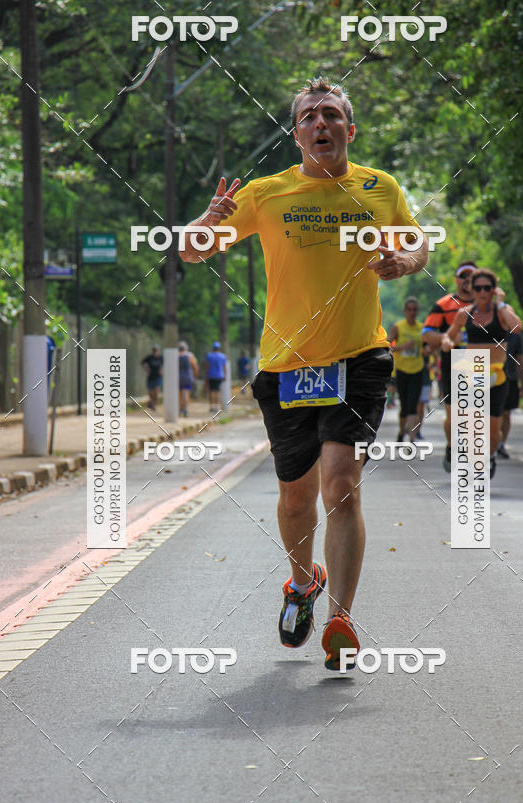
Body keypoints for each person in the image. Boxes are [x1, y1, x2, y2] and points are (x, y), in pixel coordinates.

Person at [180, 76, 429, 669]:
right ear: (296, 134)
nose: (321, 123)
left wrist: (404, 260)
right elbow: (191, 251)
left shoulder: (379, 187)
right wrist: (205, 220)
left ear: (349, 128)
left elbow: (418, 245)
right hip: (286, 364)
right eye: (309, 116)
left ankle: (341, 619)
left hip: (360, 356)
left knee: (340, 482)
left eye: (332, 115)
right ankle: (302, 583)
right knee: (296, 497)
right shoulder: (266, 195)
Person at [441, 269, 522, 479]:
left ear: (494, 289)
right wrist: (448, 343)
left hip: (496, 377)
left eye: (487, 288)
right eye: (478, 288)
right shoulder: (464, 313)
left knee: (493, 432)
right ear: (471, 290)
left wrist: (502, 303)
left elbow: (516, 327)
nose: (482, 292)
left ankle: (491, 455)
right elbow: (448, 337)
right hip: (470, 375)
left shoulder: (502, 312)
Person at [422, 261, 477, 471]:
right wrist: (446, 337)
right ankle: (451, 445)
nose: (467, 281)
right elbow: (426, 334)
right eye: (463, 276)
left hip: (479, 364)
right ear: (457, 280)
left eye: (471, 277)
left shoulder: (486, 306)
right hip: (452, 364)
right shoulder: (444, 305)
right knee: (454, 413)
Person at [387, 297, 424, 442]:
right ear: (404, 311)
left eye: (415, 310)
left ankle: (412, 438)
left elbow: (428, 345)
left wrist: (429, 351)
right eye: (409, 310)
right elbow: (388, 346)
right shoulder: (398, 327)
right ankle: (402, 432)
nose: (412, 313)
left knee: (413, 405)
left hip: (418, 369)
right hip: (401, 371)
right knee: (404, 405)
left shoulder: (421, 328)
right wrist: (402, 347)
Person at [498, 316, 523, 458]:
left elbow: (520, 360)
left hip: (511, 379)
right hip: (492, 379)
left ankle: (501, 444)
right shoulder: (492, 332)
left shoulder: (516, 337)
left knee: (506, 414)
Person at [416, 344, 433, 440]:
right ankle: (410, 427)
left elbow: (434, 359)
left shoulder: (428, 345)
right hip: (413, 379)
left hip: (425, 381)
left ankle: (417, 430)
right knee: (414, 407)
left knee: (420, 408)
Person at [205, 341, 228, 413]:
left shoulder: (209, 356)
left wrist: (206, 376)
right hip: (219, 376)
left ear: (213, 348)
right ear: (219, 348)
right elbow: (224, 367)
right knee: (217, 391)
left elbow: (207, 367)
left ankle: (211, 407)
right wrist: (225, 375)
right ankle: (217, 407)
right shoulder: (223, 356)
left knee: (211, 391)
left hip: (211, 375)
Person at [178, 341, 199, 416]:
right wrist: (195, 376)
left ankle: (180, 408)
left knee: (179, 394)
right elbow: (195, 366)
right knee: (186, 393)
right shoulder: (190, 355)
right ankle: (185, 409)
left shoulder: (176, 355)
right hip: (188, 377)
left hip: (178, 378)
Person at [141, 344, 163, 411]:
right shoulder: (149, 358)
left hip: (158, 377)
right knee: (151, 393)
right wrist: (147, 370)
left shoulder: (161, 358)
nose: (155, 352)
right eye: (154, 350)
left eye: (156, 350)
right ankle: (152, 404)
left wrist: (162, 370)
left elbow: (164, 364)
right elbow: (142, 362)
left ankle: (154, 405)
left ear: (158, 351)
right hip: (150, 377)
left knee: (156, 391)